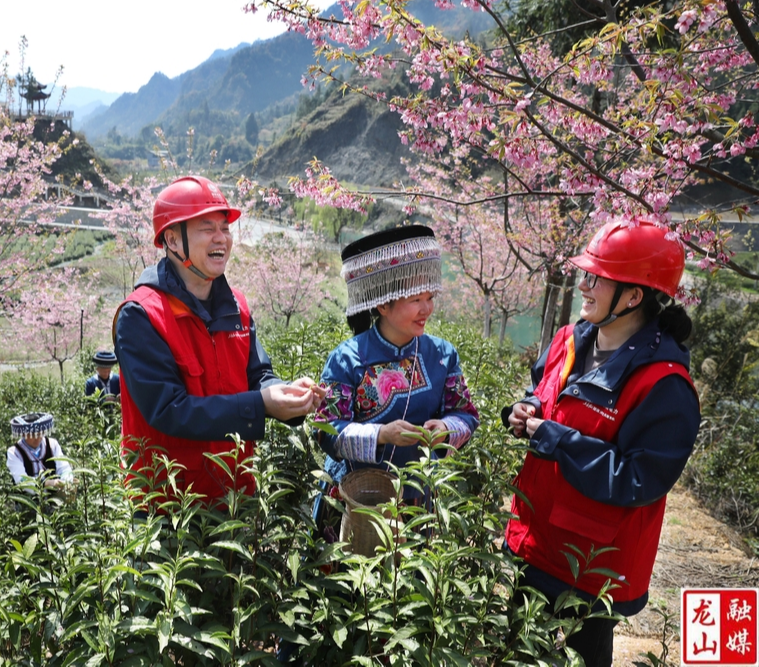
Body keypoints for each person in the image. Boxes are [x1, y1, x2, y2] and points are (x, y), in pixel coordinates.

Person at [503, 219, 700, 667]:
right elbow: (546, 394)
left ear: (633, 297)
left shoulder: (663, 386)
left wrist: (559, 440)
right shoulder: (569, 341)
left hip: (589, 568)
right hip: (534, 538)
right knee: (513, 652)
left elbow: (638, 480)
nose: (584, 285)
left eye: (597, 278)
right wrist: (525, 411)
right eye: (585, 274)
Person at [114, 175, 324, 510]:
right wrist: (261, 405)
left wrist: (287, 395)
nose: (221, 238)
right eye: (206, 228)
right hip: (171, 509)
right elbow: (169, 410)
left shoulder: (237, 305)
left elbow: (258, 375)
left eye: (225, 228)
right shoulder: (141, 315)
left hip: (238, 493)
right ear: (172, 239)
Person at [313, 225, 480, 536]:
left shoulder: (442, 355)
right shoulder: (347, 358)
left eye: (430, 297)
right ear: (383, 305)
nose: (426, 308)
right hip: (354, 501)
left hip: (416, 502)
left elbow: (467, 415)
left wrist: (446, 428)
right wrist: (380, 435)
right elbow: (324, 432)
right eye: (416, 299)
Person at [5, 411, 73, 495]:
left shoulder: (52, 444)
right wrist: (47, 483)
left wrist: (65, 480)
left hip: (55, 501)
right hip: (28, 502)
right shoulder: (14, 452)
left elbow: (64, 467)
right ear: (23, 434)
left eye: (40, 434)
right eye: (33, 435)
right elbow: (21, 481)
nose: (37, 438)